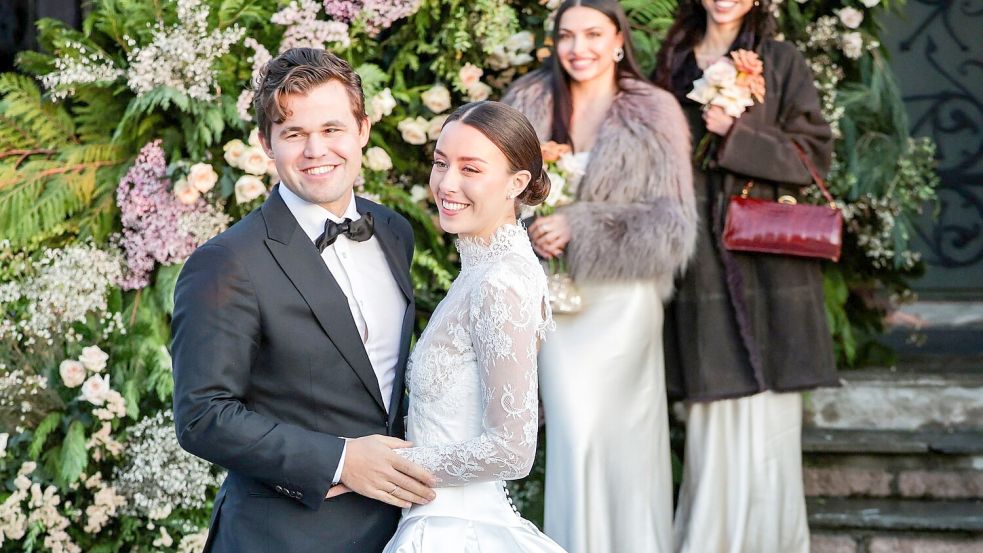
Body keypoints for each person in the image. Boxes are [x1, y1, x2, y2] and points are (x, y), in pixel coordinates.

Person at [171, 48, 437, 553]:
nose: (316, 150)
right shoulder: (227, 262)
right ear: (266, 145)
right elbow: (202, 415)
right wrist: (340, 459)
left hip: (402, 527)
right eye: (294, 134)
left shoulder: (395, 232)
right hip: (285, 533)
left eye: (332, 129)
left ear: (363, 129)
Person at [503, 1, 697, 551]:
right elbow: (493, 193)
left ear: (618, 41)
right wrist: (533, 228)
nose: (578, 48)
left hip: (624, 304)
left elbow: (674, 223)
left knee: (626, 441)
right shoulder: (526, 104)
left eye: (593, 34)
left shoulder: (653, 111)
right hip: (555, 304)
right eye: (567, 35)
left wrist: (579, 225)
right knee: (575, 431)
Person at [653, 0, 840, 551]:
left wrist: (736, 135)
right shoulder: (674, 58)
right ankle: (712, 538)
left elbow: (814, 158)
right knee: (712, 402)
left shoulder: (780, 60)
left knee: (769, 405)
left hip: (769, 257)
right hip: (699, 257)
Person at [381, 100, 566, 552]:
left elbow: (512, 450)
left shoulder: (502, 280)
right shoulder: (480, 270)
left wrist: (385, 468)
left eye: (471, 168)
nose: (447, 183)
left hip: (457, 529)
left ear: (516, 183)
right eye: (441, 163)